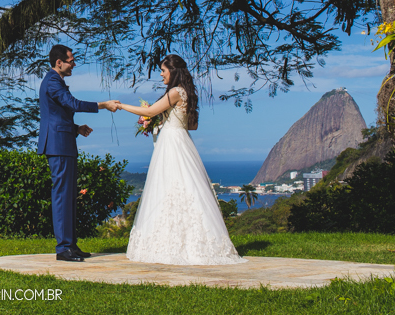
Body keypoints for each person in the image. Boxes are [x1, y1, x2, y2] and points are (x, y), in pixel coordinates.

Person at [116, 54, 245, 265]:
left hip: (172, 144)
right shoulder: (186, 93)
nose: (160, 74)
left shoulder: (176, 92)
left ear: (173, 72)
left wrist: (122, 106)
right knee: (183, 187)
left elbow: (149, 110)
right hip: (180, 139)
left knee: (170, 187)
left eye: (163, 70)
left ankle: (174, 243)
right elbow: (191, 125)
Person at [38, 44, 119, 262]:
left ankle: (70, 245)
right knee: (63, 195)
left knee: (68, 196)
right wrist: (103, 104)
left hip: (64, 142)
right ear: (59, 62)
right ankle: (63, 248)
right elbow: (71, 103)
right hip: (58, 146)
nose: (74, 64)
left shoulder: (56, 81)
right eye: (71, 60)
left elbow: (57, 114)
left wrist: (75, 129)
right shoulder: (53, 81)